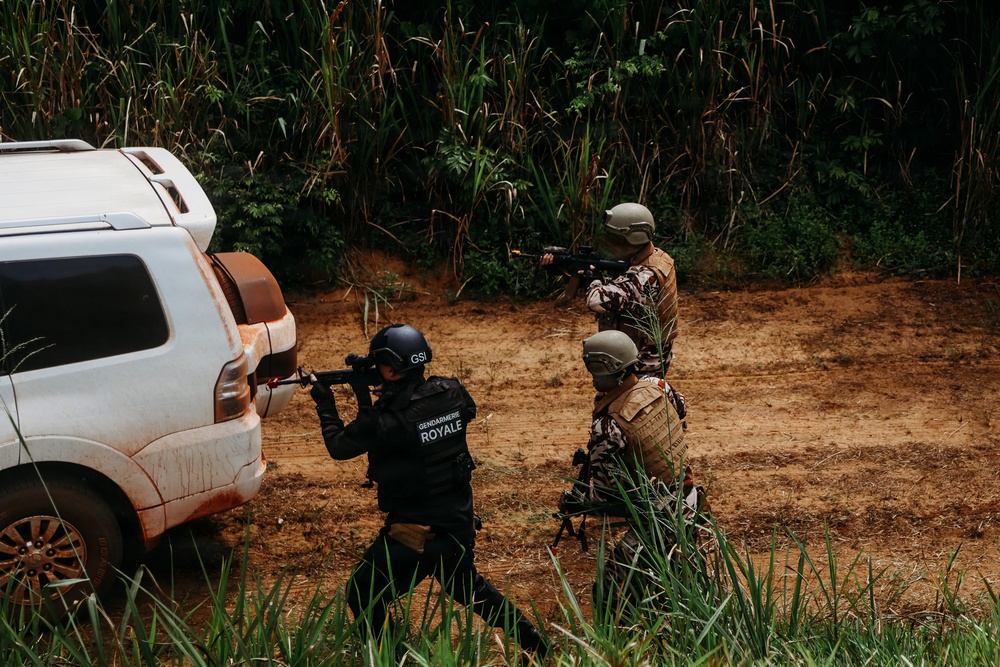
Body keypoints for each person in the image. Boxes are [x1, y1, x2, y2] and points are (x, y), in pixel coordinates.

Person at [309, 323, 548, 659]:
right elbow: (461, 411)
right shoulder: (450, 391)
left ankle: (390, 659)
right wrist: (388, 392)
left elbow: (339, 446)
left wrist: (324, 403)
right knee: (470, 589)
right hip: (456, 522)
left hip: (414, 534)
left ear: (390, 369)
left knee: (362, 593)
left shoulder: (387, 420)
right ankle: (535, 643)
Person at [566, 329, 708, 610]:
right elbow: (680, 410)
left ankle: (619, 643)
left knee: (608, 593)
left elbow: (608, 496)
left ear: (606, 369)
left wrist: (579, 501)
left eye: (592, 368)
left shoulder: (607, 425)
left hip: (658, 519)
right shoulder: (657, 385)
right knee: (680, 583)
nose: (590, 376)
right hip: (689, 498)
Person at [543, 203, 679, 376]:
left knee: (632, 401)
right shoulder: (651, 257)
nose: (611, 243)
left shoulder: (647, 275)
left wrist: (594, 279)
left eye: (616, 238)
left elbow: (597, 300)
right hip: (633, 351)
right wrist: (565, 270)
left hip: (643, 360)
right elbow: (621, 287)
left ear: (633, 238)